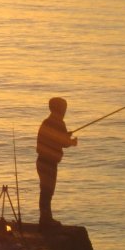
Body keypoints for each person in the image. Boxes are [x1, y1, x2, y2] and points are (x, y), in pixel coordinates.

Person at [36, 97, 78, 229]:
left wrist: (65, 135)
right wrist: (72, 142)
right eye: (64, 108)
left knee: (46, 191)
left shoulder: (47, 122)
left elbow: (55, 138)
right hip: (48, 162)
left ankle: (45, 218)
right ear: (60, 109)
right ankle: (45, 220)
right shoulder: (58, 123)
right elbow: (63, 142)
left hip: (42, 161)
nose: (65, 111)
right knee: (47, 191)